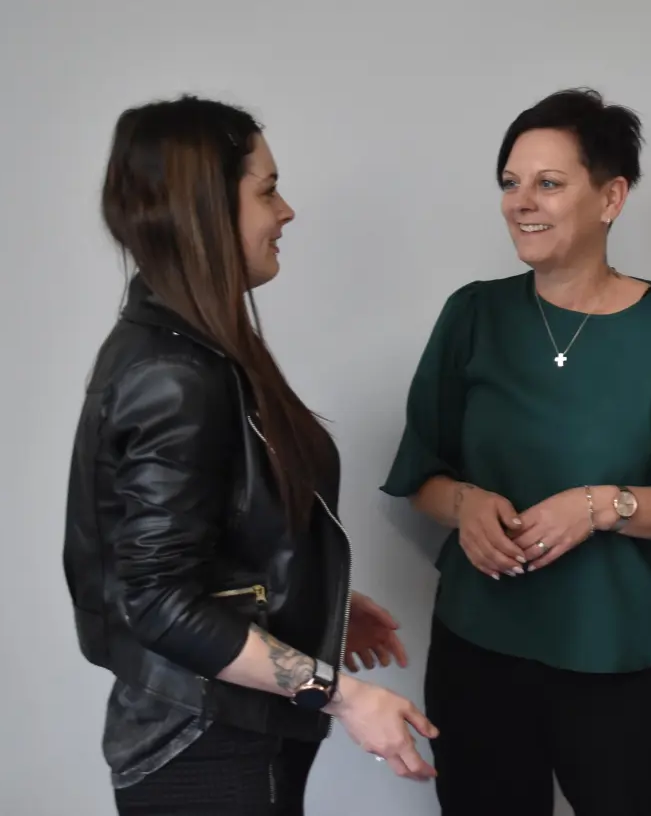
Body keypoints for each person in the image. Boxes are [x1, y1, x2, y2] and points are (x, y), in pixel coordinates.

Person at [381, 87, 651, 816]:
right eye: (510, 183)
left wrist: (598, 506)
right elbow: (420, 471)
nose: (523, 202)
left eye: (549, 183)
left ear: (611, 197)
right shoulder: (473, 316)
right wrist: (465, 504)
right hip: (480, 649)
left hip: (624, 658)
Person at [62, 95, 439, 815]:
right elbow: (159, 602)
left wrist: (315, 599)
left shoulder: (189, 348)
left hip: (219, 739)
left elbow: (205, 546)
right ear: (205, 207)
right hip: (207, 749)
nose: (287, 211)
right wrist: (340, 693)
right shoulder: (172, 375)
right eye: (267, 190)